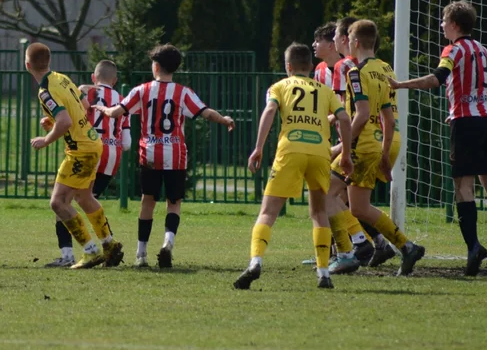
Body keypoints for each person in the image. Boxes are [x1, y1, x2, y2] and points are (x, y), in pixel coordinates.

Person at [389, 0, 487, 276]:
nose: (442, 25)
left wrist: (400, 85)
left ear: (455, 25)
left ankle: (473, 247)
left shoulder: (453, 49)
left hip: (466, 124)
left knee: (463, 186)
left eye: (444, 21)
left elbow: (437, 79)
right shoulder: (483, 49)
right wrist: (472, 100)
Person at [93, 44, 234, 268]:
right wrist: (224, 119)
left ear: (156, 66)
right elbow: (206, 112)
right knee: (174, 203)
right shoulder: (183, 92)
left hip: (150, 154)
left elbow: (116, 111)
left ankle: (141, 255)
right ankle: (167, 243)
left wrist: (102, 109)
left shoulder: (142, 90)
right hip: (176, 155)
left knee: (147, 202)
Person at [233, 42, 353, 290]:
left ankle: (256, 262)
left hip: (291, 149)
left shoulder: (279, 86)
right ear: (310, 66)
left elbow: (269, 111)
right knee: (319, 214)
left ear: (288, 66)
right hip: (320, 152)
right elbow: (343, 117)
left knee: (268, 212)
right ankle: (323, 272)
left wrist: (258, 147)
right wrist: (348, 154)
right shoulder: (325, 89)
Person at [338, 20, 426, 276]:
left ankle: (350, 253)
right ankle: (395, 246)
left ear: (354, 43)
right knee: (352, 204)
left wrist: (342, 149)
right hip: (380, 141)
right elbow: (388, 117)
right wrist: (386, 154)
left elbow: (362, 114)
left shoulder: (355, 72)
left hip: (361, 145)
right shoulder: (386, 69)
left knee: (331, 195)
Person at [25, 42, 124, 269]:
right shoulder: (62, 78)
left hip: (79, 150)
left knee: (58, 202)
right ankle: (109, 243)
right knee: (84, 198)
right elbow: (85, 104)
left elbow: (66, 121)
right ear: (48, 62)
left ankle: (90, 251)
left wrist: (46, 138)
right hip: (93, 143)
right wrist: (52, 120)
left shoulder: (45, 91)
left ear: (27, 65)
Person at [45, 59, 133, 268]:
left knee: (63, 203)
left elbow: (72, 119)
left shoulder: (83, 91)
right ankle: (109, 244)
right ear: (115, 80)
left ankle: (69, 254)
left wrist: (51, 125)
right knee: (87, 200)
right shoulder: (121, 99)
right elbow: (127, 143)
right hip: (111, 157)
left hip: (87, 150)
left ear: (94, 77)